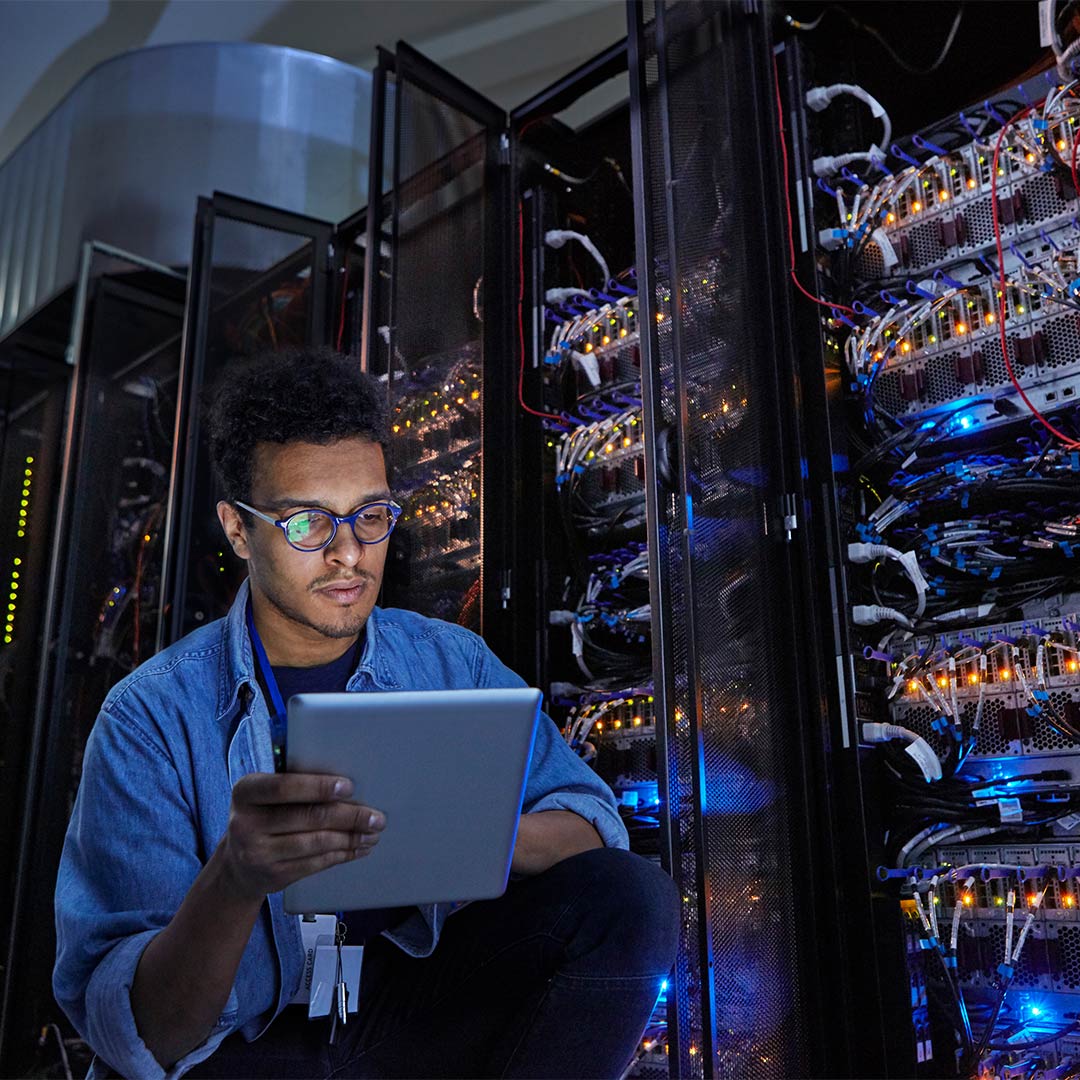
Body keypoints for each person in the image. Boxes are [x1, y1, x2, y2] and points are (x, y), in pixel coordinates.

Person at [53, 347, 681, 1080]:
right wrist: (235, 877)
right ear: (236, 529)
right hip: (247, 1049)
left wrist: (463, 835)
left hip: (395, 1018)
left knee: (629, 897)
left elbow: (589, 820)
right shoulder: (150, 718)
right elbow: (146, 1034)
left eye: (371, 516)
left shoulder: (452, 664)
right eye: (306, 525)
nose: (350, 554)